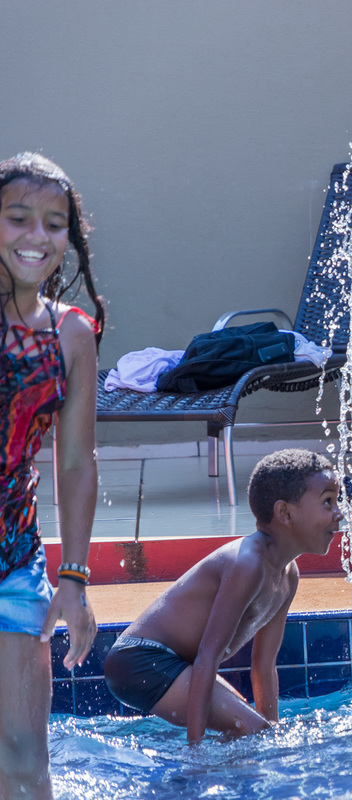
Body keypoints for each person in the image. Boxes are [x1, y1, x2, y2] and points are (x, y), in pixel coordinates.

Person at [104, 449, 342, 744]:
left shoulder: (288, 575)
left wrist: (273, 735)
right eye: (328, 502)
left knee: (255, 732)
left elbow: (264, 665)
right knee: (250, 729)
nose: (339, 513)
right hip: (139, 659)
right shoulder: (248, 563)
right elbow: (208, 655)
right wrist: (196, 750)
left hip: (176, 664)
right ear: (285, 513)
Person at [1, 152, 104, 798]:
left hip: (13, 563)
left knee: (24, 759)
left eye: (54, 223)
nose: (36, 236)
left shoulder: (72, 335)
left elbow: (75, 461)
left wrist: (75, 578)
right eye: (18, 218)